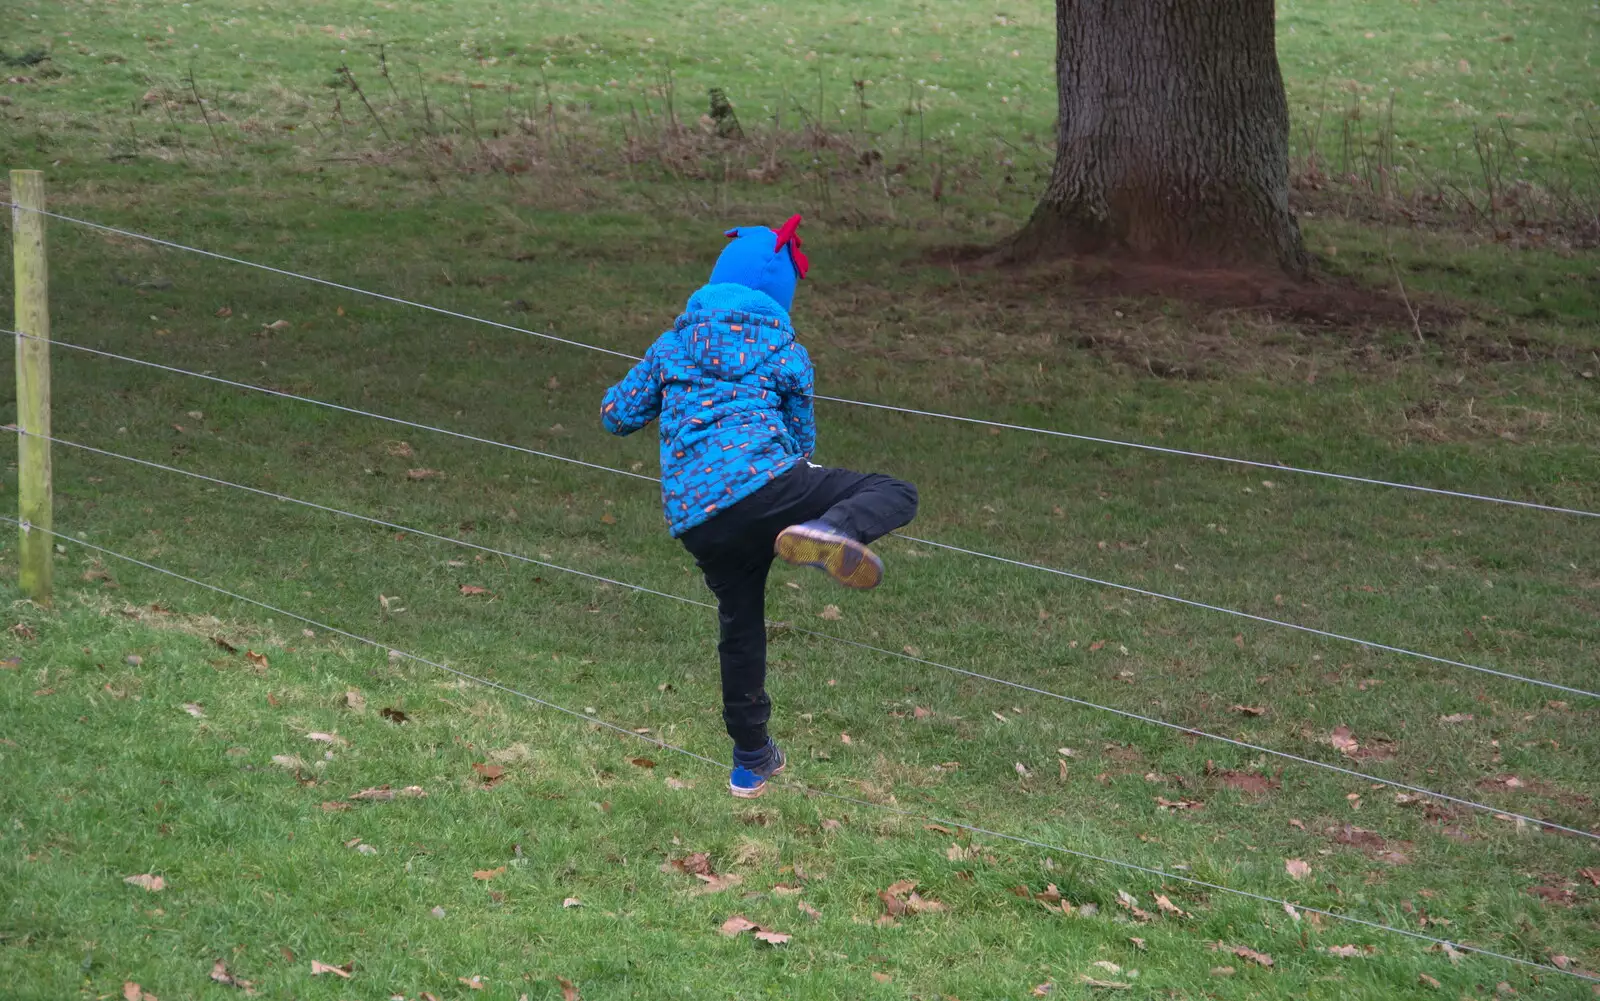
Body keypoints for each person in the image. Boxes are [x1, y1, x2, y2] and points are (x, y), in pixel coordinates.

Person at [600, 215, 918, 798]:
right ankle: (832, 527)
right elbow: (800, 441)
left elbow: (616, 415)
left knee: (740, 628)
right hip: (769, 489)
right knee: (896, 491)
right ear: (781, 297)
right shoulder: (784, 348)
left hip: (700, 520)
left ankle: (752, 759)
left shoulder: (672, 345)